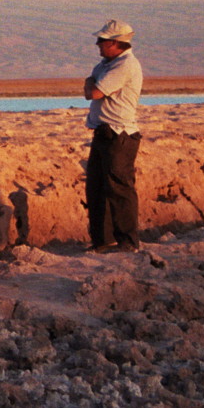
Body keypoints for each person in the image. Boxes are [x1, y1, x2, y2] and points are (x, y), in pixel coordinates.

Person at [83, 18, 144, 252]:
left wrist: (90, 83)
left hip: (119, 135)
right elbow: (91, 88)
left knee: (119, 189)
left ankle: (128, 242)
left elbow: (94, 92)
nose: (98, 45)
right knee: (96, 187)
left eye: (102, 41)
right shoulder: (106, 65)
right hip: (103, 132)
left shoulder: (124, 65)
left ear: (116, 43)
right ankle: (104, 240)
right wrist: (90, 84)